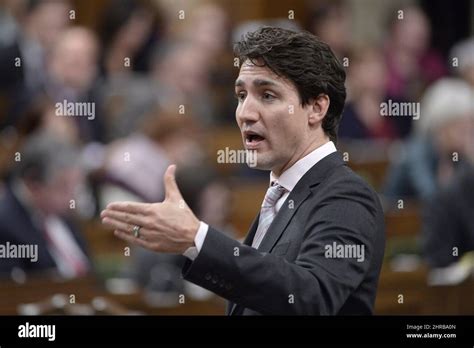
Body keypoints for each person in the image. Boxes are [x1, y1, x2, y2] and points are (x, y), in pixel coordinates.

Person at [101, 27, 385, 315]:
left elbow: (311, 298)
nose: (245, 113)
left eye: (267, 95)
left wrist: (196, 238)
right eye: (241, 95)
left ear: (316, 107)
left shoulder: (346, 195)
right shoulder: (282, 194)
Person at [0, 130, 91, 278]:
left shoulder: (62, 217)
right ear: (33, 183)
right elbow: (14, 293)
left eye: (74, 187)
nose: (71, 198)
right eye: (63, 187)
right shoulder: (4, 224)